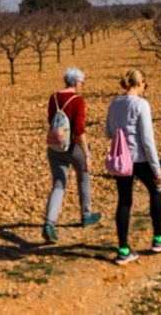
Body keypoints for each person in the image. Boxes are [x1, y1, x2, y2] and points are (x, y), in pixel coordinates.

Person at [106, 69, 161, 265]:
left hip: (122, 161)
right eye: (145, 84)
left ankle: (123, 249)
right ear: (139, 83)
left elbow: (109, 132)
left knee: (124, 201)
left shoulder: (114, 103)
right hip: (141, 159)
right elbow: (147, 139)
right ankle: (159, 239)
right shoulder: (141, 105)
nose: (145, 88)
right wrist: (157, 170)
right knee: (155, 191)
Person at [42, 67, 101, 243]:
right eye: (82, 82)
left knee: (58, 185)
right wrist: (87, 154)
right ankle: (86, 215)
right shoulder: (78, 101)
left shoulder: (53, 98)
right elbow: (80, 129)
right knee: (84, 177)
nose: (82, 86)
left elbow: (50, 120)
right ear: (76, 82)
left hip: (55, 147)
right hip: (73, 146)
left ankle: (49, 224)